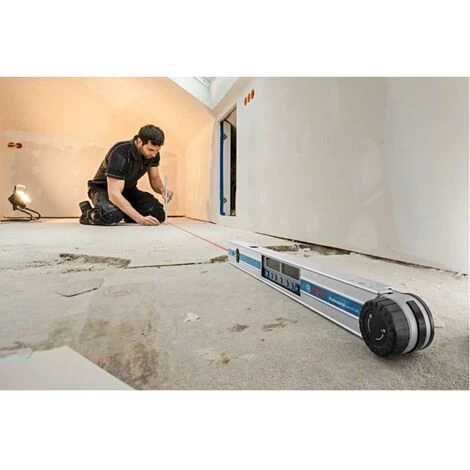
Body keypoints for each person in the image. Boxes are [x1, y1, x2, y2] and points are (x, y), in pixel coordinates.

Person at [79, 125, 173, 226]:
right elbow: (114, 194)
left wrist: (162, 189)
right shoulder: (120, 153)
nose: (154, 154)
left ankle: (123, 211)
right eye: (150, 150)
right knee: (112, 215)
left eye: (157, 150)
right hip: (102, 189)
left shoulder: (153, 154)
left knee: (158, 214)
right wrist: (139, 218)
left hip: (127, 190)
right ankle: (87, 212)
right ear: (139, 141)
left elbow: (155, 179)